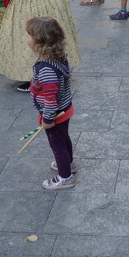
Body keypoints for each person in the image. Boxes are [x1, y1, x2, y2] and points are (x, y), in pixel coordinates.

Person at [25, 16, 77, 189]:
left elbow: (50, 98)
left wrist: (47, 120)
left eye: (28, 35)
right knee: (63, 138)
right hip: (65, 108)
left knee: (57, 146)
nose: (26, 38)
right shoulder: (58, 58)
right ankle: (69, 164)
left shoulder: (46, 68)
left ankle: (65, 177)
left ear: (40, 42)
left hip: (56, 114)